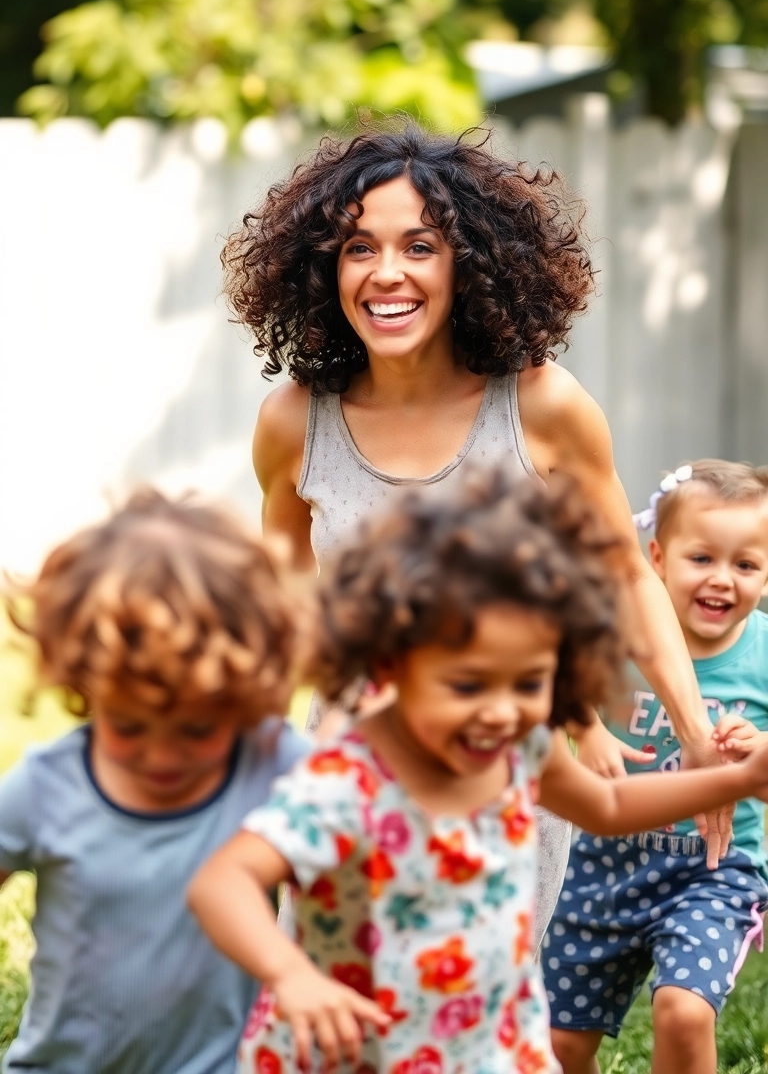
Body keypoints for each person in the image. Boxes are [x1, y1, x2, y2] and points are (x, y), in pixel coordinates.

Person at [222, 123, 732, 952]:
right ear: (325, 268)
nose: (387, 274)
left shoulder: (542, 406)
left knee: (477, 1017)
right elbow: (281, 618)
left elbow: (627, 580)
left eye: (420, 246)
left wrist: (701, 737)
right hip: (351, 777)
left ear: (468, 261)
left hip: (504, 776)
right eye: (359, 248)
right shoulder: (293, 425)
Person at [189, 470, 768, 1074]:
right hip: (362, 1049)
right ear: (392, 659)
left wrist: (739, 780)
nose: (499, 711)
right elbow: (222, 884)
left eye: (530, 683)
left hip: (486, 1043)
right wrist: (288, 975)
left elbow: (609, 807)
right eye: (467, 684)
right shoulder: (351, 776)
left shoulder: (520, 746)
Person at [0, 489, 311, 1074]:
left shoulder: (274, 766)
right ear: (87, 686)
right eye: (129, 726)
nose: (162, 755)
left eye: (197, 728)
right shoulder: (47, 787)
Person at [545, 459, 768, 1074]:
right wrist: (585, 728)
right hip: (597, 862)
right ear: (657, 557)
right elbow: (551, 673)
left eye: (746, 565)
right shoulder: (622, 636)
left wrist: (757, 747)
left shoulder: (765, 653)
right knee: (560, 1043)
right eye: (703, 559)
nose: (722, 580)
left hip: (714, 869)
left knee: (684, 1012)